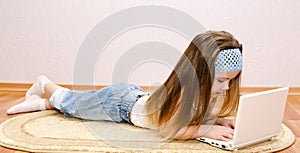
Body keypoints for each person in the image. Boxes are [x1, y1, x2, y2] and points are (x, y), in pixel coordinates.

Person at [7, 30, 243, 141]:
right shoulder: (181, 93)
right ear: (197, 75)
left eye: (231, 81)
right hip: (118, 105)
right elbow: (171, 130)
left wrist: (219, 120)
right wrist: (205, 129)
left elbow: (189, 117)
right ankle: (45, 84)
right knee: (72, 104)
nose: (225, 87)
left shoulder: (204, 92)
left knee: (77, 103)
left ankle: (43, 103)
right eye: (222, 80)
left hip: (131, 98)